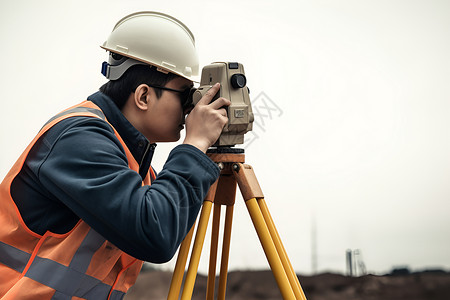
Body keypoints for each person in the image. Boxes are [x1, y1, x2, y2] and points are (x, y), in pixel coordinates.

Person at [0, 11, 230, 299]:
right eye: (185, 95)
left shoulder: (138, 168)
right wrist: (194, 145)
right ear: (144, 96)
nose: (191, 109)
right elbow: (155, 234)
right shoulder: (79, 138)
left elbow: (166, 227)